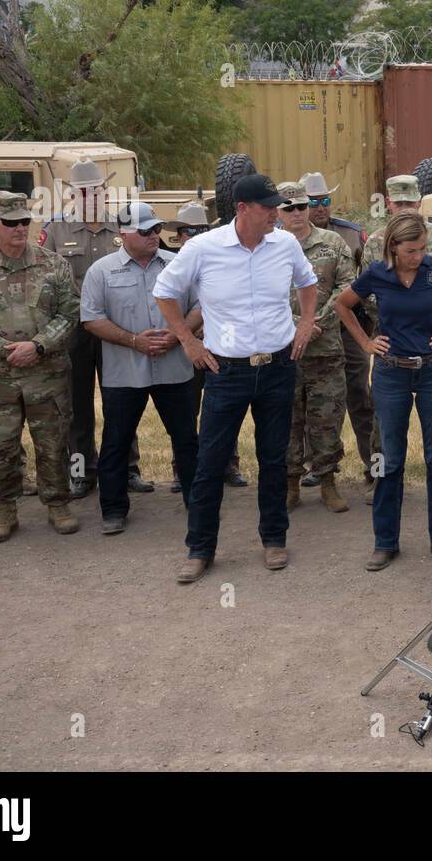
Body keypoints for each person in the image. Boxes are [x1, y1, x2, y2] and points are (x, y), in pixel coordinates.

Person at [155, 175, 319, 582]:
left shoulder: (285, 245)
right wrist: (188, 341)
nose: (275, 215)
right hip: (226, 372)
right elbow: (164, 291)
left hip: (278, 367)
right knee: (211, 462)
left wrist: (306, 323)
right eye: (268, 208)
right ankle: (200, 549)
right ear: (243, 208)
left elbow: (308, 282)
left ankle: (274, 539)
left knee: (273, 458)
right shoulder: (203, 248)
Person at [335, 211, 432, 571]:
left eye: (421, 249)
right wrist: (367, 343)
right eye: (411, 251)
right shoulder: (376, 274)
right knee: (391, 458)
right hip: (390, 374)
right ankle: (385, 542)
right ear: (393, 247)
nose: (418, 257)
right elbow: (343, 304)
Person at [0, 192, 81, 544]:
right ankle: (4, 509)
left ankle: (57, 503)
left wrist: (38, 345)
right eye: (11, 223)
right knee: (1, 444)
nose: (19, 228)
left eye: (25, 221)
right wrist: (0, 347)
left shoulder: (53, 264)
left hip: (47, 373)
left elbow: (70, 312)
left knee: (53, 443)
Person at [81, 203, 203, 535]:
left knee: (186, 440)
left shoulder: (177, 265)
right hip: (125, 373)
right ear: (123, 235)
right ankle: (114, 510)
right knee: (116, 440)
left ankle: (198, 505)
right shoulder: (101, 271)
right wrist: (134, 341)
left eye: (156, 230)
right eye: (146, 231)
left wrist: (178, 337)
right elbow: (91, 318)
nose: (154, 236)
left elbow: (200, 306)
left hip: (174, 369)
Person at [41, 158, 152, 497]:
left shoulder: (122, 227)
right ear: (73, 194)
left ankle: (127, 469)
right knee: (76, 405)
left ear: (105, 192)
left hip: (115, 329)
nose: (90, 196)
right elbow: (45, 280)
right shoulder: (56, 229)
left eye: (96, 190)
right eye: (83, 191)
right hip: (73, 330)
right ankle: (80, 471)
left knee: (122, 399)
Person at [357, 174, 432, 504]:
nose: (405, 208)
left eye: (410, 202)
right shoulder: (375, 241)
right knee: (385, 431)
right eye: (398, 202)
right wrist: (393, 316)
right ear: (388, 203)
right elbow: (363, 294)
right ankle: (379, 482)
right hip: (392, 344)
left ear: (420, 202)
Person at [275, 181, 355, 513]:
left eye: (301, 206)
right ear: (278, 211)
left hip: (325, 346)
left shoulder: (333, 242)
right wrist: (298, 323)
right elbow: (262, 292)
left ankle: (327, 482)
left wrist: (316, 320)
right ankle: (290, 483)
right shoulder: (269, 245)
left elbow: (348, 283)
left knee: (327, 418)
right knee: (287, 419)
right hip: (284, 349)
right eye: (289, 207)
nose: (297, 213)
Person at [163, 202, 245, 492]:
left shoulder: (222, 259)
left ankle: (229, 465)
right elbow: (164, 301)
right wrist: (186, 335)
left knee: (226, 408)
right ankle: (181, 468)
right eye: (188, 230)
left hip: (219, 345)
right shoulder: (171, 264)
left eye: (200, 229)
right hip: (184, 348)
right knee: (185, 412)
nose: (194, 235)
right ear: (178, 235)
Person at [299, 171, 371, 492]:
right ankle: (317, 466)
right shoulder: (285, 236)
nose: (319, 207)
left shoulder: (352, 235)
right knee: (308, 398)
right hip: (304, 332)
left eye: (324, 200)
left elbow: (366, 283)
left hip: (348, 329)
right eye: (312, 202)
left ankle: (372, 464)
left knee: (359, 397)